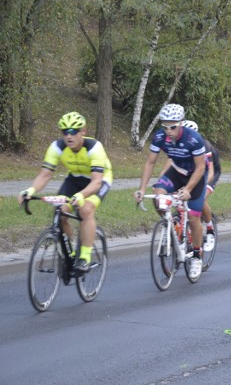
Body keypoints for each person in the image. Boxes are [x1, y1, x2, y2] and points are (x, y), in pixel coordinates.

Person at [19, 112, 113, 272]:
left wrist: (81, 195)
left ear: (83, 131)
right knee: (60, 211)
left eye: (74, 131)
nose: (69, 136)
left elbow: (96, 182)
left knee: (85, 209)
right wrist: (30, 190)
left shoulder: (94, 148)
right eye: (65, 132)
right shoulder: (57, 147)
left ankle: (85, 256)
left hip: (99, 180)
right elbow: (45, 174)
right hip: (74, 179)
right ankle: (71, 251)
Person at [134, 104, 208, 279]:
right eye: (165, 126)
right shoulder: (160, 137)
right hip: (176, 172)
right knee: (158, 195)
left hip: (194, 176)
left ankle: (197, 255)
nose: (168, 131)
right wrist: (142, 189)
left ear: (181, 123)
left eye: (173, 127)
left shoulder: (193, 138)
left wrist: (188, 189)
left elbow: (200, 167)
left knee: (194, 216)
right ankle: (171, 225)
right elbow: (150, 163)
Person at [158, 120, 220, 255]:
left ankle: (210, 229)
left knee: (201, 198)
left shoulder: (203, 145)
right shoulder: (177, 144)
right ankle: (180, 226)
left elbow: (209, 172)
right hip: (187, 172)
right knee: (176, 197)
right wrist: (161, 182)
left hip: (209, 173)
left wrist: (190, 187)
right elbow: (170, 164)